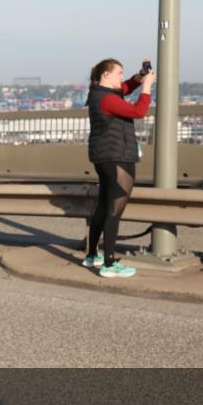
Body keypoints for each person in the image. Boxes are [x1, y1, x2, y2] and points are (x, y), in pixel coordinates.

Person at [83, 57, 155, 278]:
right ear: (106, 75)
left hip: (105, 157)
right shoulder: (106, 99)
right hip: (118, 158)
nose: (121, 78)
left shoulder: (99, 94)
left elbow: (125, 88)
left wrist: (140, 76)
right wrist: (147, 87)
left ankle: (92, 255)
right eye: (119, 73)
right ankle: (109, 263)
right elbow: (138, 112)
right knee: (115, 209)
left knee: (104, 207)